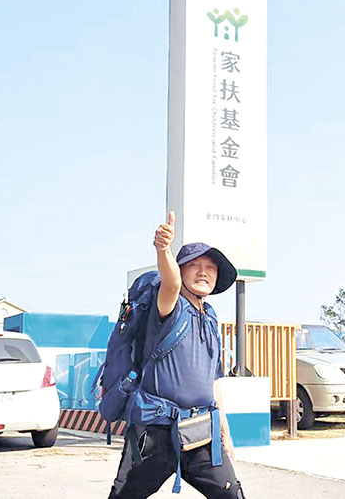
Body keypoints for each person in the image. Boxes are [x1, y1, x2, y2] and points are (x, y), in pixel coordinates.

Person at [108, 211, 245, 498]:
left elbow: (214, 382)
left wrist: (226, 434)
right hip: (154, 433)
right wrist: (164, 250)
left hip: (200, 433)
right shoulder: (170, 308)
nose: (203, 271)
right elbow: (170, 283)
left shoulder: (210, 318)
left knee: (232, 494)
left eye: (210, 267)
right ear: (180, 271)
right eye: (193, 265)